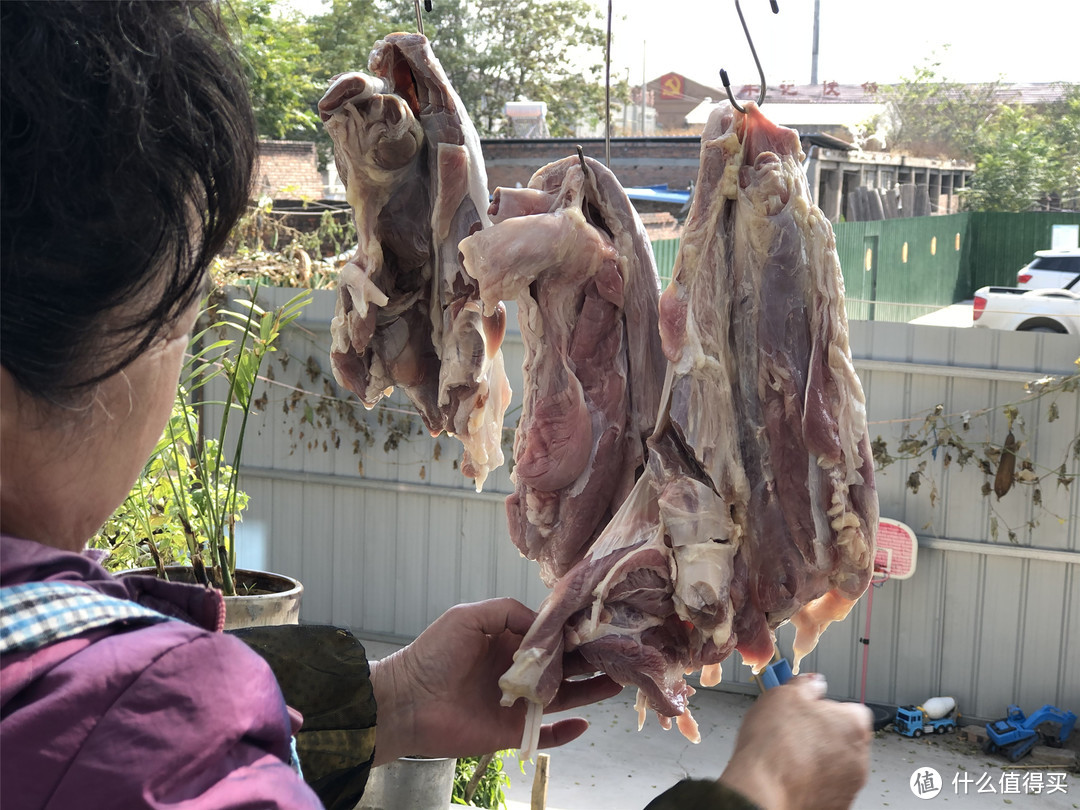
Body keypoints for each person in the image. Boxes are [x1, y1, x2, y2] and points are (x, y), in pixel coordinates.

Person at [0, 2, 871, 808]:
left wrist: (391, 705)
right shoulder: (148, 732)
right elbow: (127, 738)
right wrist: (759, 789)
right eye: (185, 304)